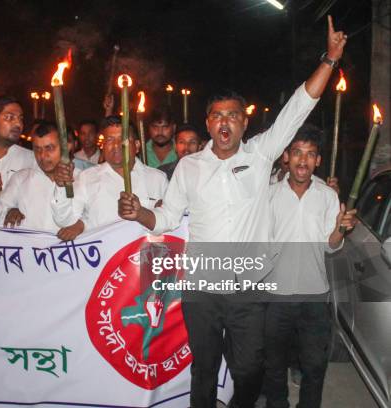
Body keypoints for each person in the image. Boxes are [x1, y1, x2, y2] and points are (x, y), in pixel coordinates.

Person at [118, 16, 347, 408]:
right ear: (209, 123)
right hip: (201, 291)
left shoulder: (260, 155)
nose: (226, 122)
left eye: (234, 116)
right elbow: (168, 217)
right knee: (203, 370)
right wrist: (140, 212)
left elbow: (297, 108)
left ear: (245, 123)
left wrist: (329, 59)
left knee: (249, 369)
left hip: (248, 290)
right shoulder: (189, 167)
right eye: (218, 116)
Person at [263, 124, 357, 408]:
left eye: (310, 154)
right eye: (297, 153)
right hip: (275, 295)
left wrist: (341, 229)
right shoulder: (268, 195)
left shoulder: (327, 196)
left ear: (318, 160)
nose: (302, 161)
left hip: (314, 295)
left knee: (315, 366)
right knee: (274, 365)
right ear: (286, 157)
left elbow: (331, 246)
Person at [53, 115, 168, 240]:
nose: (116, 145)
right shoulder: (87, 177)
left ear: (137, 145)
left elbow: (170, 223)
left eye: (123, 139)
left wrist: (148, 213)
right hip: (104, 257)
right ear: (102, 145)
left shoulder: (158, 179)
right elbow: (65, 221)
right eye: (109, 140)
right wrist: (61, 187)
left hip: (144, 256)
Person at [0, 121, 82, 237]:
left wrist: (81, 225)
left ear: (67, 147)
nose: (42, 156)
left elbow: (96, 221)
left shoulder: (83, 179)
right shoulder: (21, 179)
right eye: (37, 149)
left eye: (49, 148)